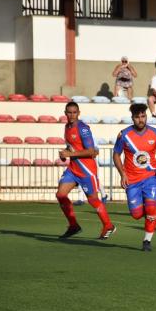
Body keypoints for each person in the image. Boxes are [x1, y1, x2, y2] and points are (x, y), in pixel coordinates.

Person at [56, 102, 115, 239]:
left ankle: (108, 225)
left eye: (74, 112)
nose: (72, 115)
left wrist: (69, 155)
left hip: (87, 170)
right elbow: (72, 147)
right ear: (65, 113)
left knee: (93, 200)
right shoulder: (67, 127)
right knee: (60, 195)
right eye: (69, 112)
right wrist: (65, 154)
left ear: (78, 113)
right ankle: (73, 226)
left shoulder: (83, 129)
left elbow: (91, 151)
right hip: (73, 169)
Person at [113, 103, 156, 252]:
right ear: (133, 118)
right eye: (137, 117)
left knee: (151, 208)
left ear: (146, 116)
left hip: (151, 177)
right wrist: (122, 174)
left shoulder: (155, 133)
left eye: (143, 116)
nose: (140, 120)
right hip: (132, 180)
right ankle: (150, 213)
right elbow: (116, 154)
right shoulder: (124, 135)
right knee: (136, 214)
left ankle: (147, 241)